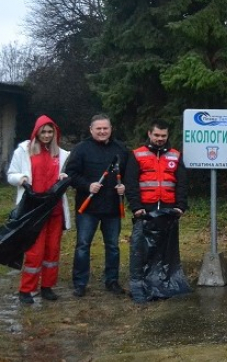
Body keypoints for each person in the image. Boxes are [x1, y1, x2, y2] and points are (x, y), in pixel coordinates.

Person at [7, 116, 70, 304]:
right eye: (43, 132)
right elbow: (11, 175)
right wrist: (23, 179)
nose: (47, 135)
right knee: (34, 252)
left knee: (52, 251)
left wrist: (65, 176)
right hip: (33, 210)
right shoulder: (23, 151)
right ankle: (26, 289)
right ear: (36, 132)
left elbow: (68, 174)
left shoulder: (62, 154)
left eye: (50, 132)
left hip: (54, 209)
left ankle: (47, 286)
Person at [65, 114, 129, 298]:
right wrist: (87, 185)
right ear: (91, 129)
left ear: (111, 129)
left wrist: (123, 186)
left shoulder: (120, 149)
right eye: (98, 128)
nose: (102, 131)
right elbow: (71, 174)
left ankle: (112, 281)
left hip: (112, 207)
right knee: (83, 245)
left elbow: (127, 175)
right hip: (88, 208)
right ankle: (80, 283)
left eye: (105, 128)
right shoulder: (81, 149)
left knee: (113, 246)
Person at [124, 119, 188, 217]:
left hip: (169, 206)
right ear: (149, 134)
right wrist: (136, 207)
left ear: (168, 135)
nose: (160, 138)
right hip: (145, 208)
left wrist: (180, 206)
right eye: (156, 135)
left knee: (169, 232)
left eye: (163, 136)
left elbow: (182, 183)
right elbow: (131, 183)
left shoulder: (176, 155)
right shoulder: (137, 154)